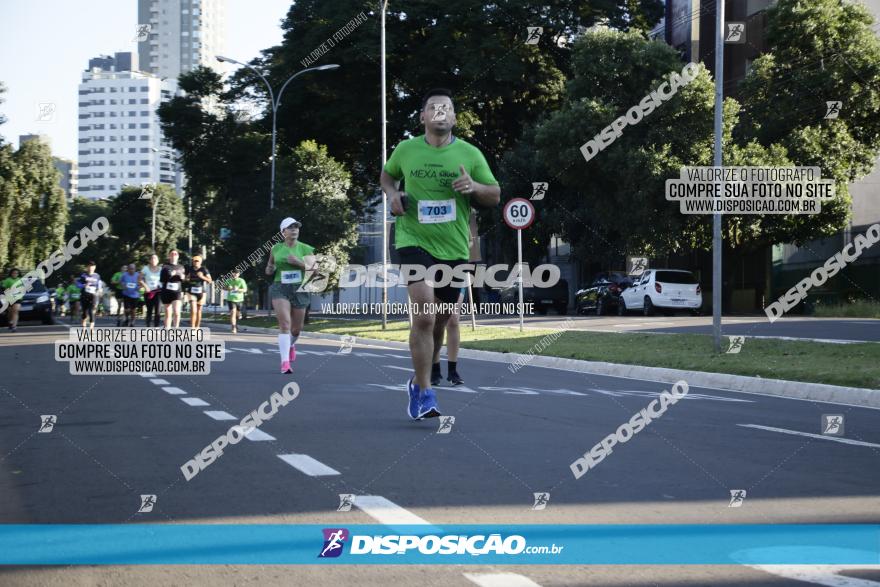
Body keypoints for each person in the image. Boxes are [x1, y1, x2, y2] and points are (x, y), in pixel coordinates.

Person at [380, 87, 500, 420]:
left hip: (454, 248)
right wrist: (392, 194)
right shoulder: (406, 150)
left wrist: (474, 188)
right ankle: (424, 391)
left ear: (454, 118)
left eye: (445, 108)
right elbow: (387, 177)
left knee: (443, 318)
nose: (439, 112)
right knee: (424, 315)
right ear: (423, 117)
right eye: (433, 108)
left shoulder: (471, 154)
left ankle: (430, 366)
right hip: (411, 241)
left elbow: (495, 194)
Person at [265, 217, 315, 374]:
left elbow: (316, 272)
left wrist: (299, 263)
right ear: (283, 232)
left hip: (300, 288)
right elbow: (270, 265)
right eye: (290, 227)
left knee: (296, 329)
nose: (294, 229)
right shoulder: (275, 249)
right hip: (280, 287)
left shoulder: (306, 249)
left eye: (296, 227)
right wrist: (269, 269)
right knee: (285, 324)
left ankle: (292, 344)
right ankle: (285, 363)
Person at [431, 287, 465, 386]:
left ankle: (452, 371)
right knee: (438, 322)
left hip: (456, 275)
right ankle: (435, 370)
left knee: (453, 319)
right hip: (434, 277)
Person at [159, 250, 185, 328]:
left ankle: (176, 329)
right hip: (166, 291)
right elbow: (162, 279)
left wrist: (183, 277)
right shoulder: (165, 266)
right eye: (172, 254)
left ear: (178, 256)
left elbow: (183, 279)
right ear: (169, 256)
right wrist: (171, 274)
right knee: (168, 312)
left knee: (177, 311)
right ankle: (167, 329)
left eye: (175, 254)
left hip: (177, 291)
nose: (174, 255)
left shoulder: (181, 267)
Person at [185, 254, 212, 329]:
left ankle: (197, 326)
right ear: (193, 261)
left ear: (200, 262)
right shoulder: (190, 269)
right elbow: (185, 279)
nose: (196, 262)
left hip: (201, 292)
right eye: (194, 261)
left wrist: (202, 277)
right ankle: (192, 327)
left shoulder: (204, 269)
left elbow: (210, 280)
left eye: (197, 261)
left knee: (199, 310)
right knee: (193, 309)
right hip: (191, 291)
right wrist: (187, 278)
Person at [139, 254, 162, 327]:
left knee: (158, 310)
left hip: (158, 292)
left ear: (158, 261)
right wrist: (145, 286)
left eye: (155, 258)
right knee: (149, 310)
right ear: (149, 260)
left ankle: (156, 327)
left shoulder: (161, 269)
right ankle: (148, 326)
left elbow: (165, 279)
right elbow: (139, 279)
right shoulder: (145, 268)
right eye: (152, 258)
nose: (153, 260)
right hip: (148, 292)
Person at [78, 262, 102, 329]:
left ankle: (91, 328)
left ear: (94, 267)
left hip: (93, 296)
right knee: (84, 312)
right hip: (84, 296)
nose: (91, 268)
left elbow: (99, 284)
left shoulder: (97, 276)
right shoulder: (83, 275)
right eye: (89, 266)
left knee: (91, 312)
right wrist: (84, 285)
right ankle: (84, 327)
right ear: (87, 267)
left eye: (92, 266)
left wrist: (99, 290)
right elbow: (78, 284)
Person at [224, 269, 247, 334]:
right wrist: (229, 288)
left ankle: (236, 322)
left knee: (237, 314)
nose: (235, 274)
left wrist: (238, 289)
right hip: (231, 299)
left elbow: (245, 290)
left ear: (238, 274)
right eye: (234, 273)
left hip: (239, 300)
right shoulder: (228, 280)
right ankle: (233, 328)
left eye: (236, 273)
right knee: (233, 313)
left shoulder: (241, 281)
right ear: (232, 274)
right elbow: (224, 287)